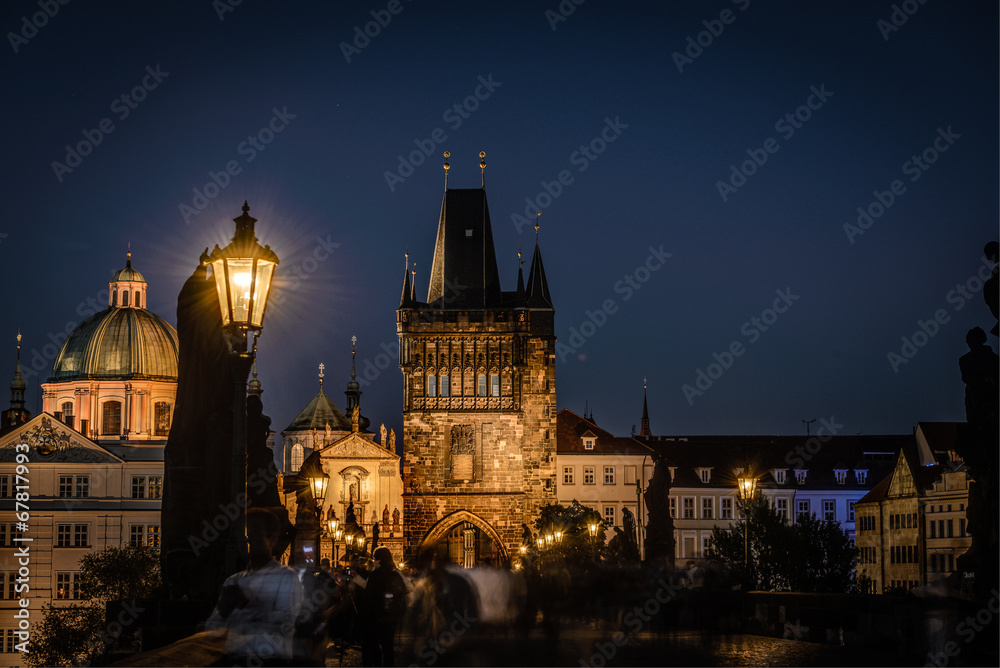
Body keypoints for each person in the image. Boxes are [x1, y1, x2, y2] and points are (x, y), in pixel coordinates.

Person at [206, 508, 305, 665]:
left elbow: (284, 623)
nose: (249, 543)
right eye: (246, 538)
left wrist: (245, 606)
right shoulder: (233, 581)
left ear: (272, 539)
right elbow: (211, 631)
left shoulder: (287, 577)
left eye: (255, 537)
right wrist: (223, 612)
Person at [358, 547, 408, 666]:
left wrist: (364, 615)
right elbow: (404, 592)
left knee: (373, 646)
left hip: (376, 618)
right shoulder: (395, 574)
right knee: (388, 647)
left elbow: (367, 597)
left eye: (375, 559)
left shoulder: (375, 575)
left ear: (379, 560)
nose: (374, 562)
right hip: (391, 618)